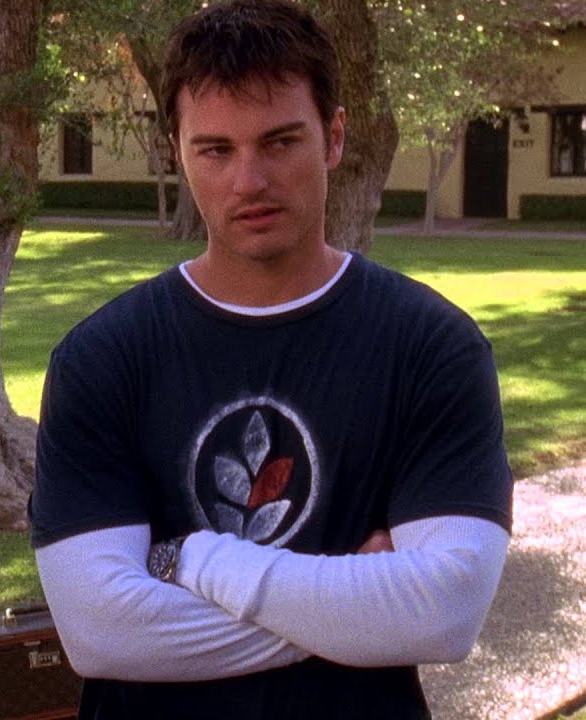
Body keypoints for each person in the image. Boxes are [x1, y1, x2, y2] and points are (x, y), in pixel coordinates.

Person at [28, 2, 513, 718]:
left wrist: (190, 560)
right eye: (215, 150)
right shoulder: (102, 359)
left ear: (334, 138)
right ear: (178, 152)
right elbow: (101, 633)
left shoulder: (431, 347)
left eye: (280, 142)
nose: (249, 180)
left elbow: (443, 614)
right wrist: (360, 605)